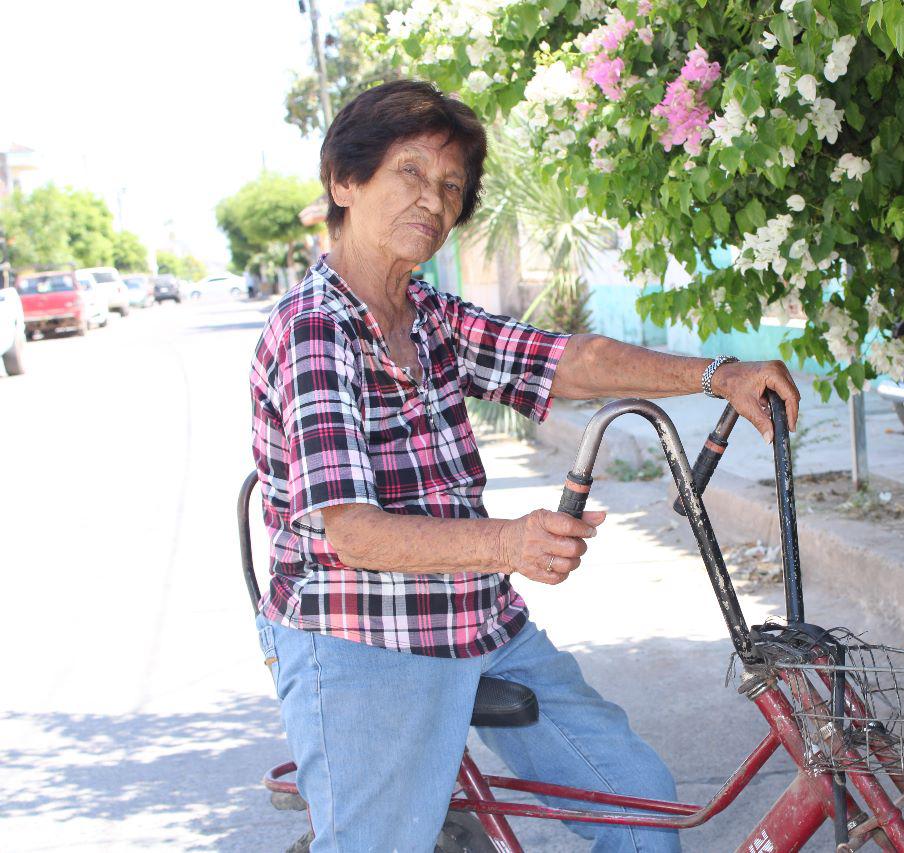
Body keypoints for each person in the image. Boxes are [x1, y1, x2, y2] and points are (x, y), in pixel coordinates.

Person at [249, 79, 801, 852]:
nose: (434, 202)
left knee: (640, 804)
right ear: (346, 182)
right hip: (363, 635)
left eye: (451, 187)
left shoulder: (431, 317)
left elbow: (569, 360)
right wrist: (510, 542)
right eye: (410, 172)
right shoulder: (314, 331)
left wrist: (720, 375)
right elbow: (356, 536)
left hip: (480, 622)